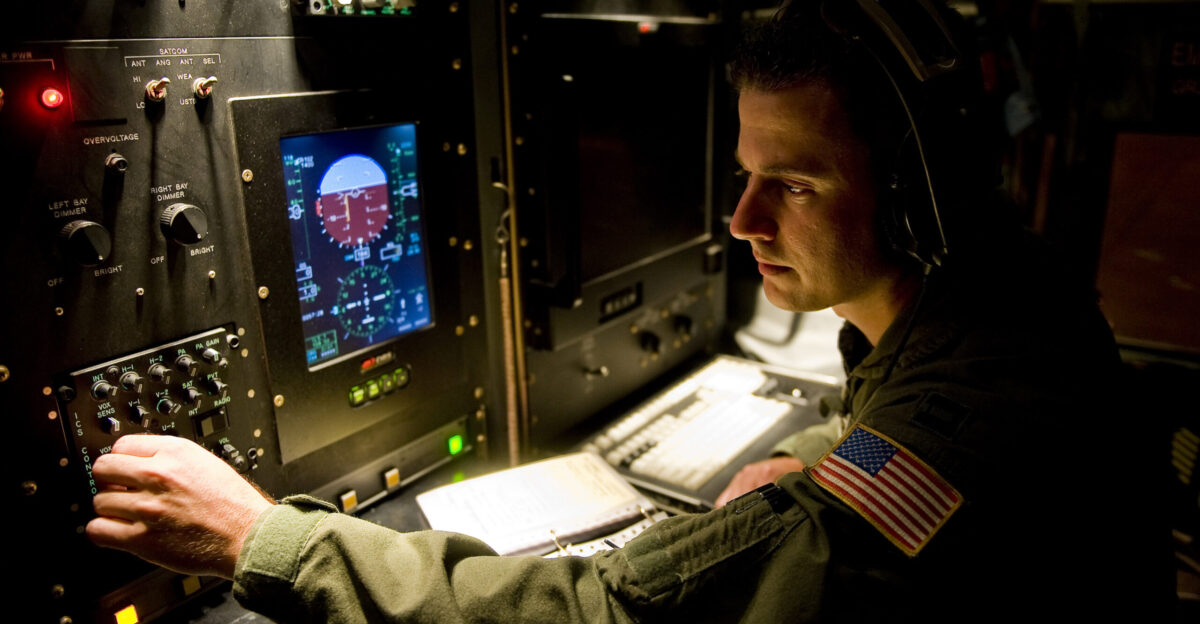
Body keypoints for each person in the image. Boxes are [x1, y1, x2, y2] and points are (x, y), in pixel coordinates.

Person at [86, 1, 1168, 621]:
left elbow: (608, 613)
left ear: (921, 193)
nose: (742, 219)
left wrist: (262, 539)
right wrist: (825, 454)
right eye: (744, 174)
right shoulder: (1003, 301)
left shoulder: (975, 413)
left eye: (794, 184)